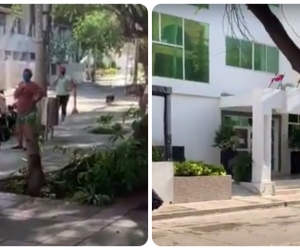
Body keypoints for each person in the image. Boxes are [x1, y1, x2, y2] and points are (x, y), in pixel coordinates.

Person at [11, 68, 44, 150]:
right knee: (19, 127)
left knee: (28, 128)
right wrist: (20, 89)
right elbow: (15, 95)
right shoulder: (21, 84)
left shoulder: (33, 85)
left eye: (27, 74)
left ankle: (28, 145)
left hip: (29, 109)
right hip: (20, 109)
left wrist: (35, 100)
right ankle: (20, 144)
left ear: (30, 76)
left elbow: (41, 93)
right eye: (24, 74)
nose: (25, 76)